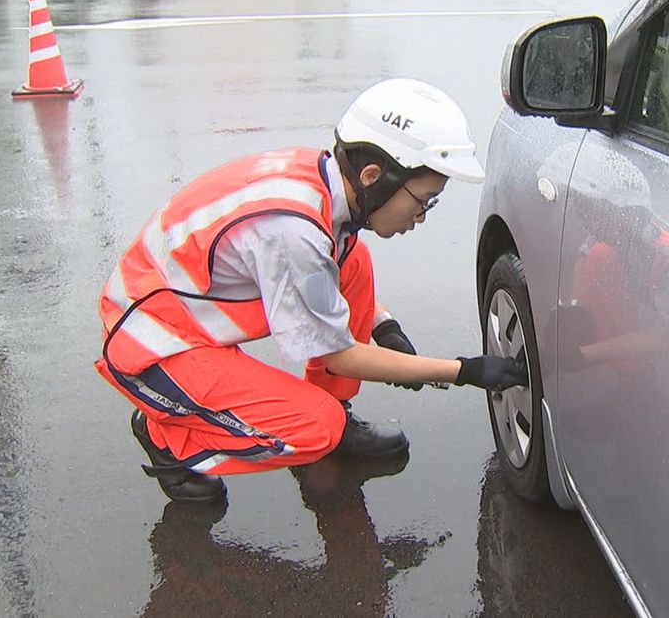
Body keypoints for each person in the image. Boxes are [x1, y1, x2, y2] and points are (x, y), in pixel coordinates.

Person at [94, 78, 527, 505]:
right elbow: (335, 346)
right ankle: (167, 436)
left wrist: (384, 325)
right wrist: (461, 370)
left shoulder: (323, 181)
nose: (422, 215)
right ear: (375, 175)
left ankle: (336, 409)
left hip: (179, 308)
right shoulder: (292, 233)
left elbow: (323, 275)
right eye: (424, 200)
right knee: (316, 429)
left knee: (352, 260)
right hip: (152, 343)